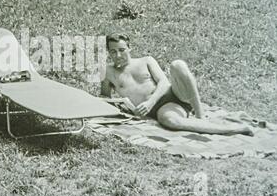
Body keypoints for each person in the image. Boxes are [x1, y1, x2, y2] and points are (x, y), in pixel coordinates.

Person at [101, 33, 253, 136]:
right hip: (162, 110)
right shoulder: (107, 72)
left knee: (177, 64)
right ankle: (237, 129)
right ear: (109, 53)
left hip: (172, 94)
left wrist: (149, 102)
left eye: (122, 50)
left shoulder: (146, 60)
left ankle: (200, 115)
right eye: (113, 52)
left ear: (129, 48)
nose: (118, 55)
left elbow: (164, 82)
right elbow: (105, 97)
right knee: (169, 121)